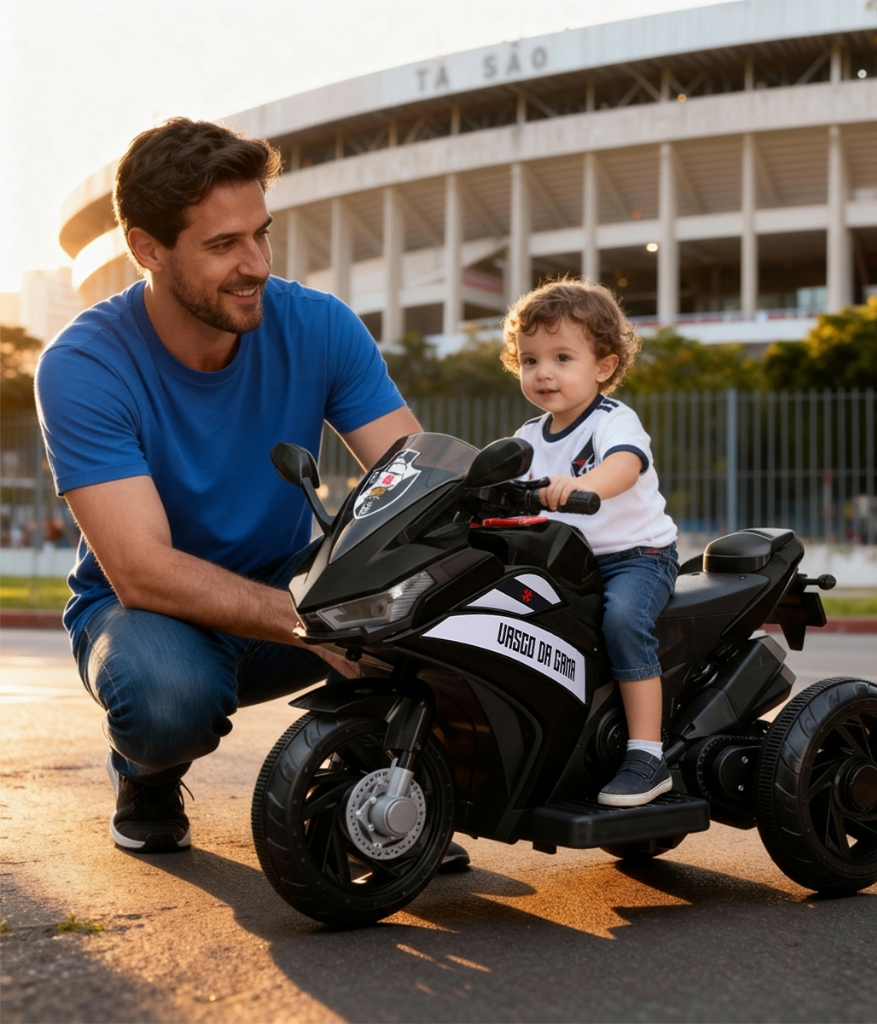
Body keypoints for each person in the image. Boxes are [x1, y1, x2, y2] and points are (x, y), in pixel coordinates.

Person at [35, 118, 469, 867]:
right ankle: (147, 775)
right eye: (223, 245)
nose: (256, 263)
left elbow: (418, 487)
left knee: (435, 583)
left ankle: (393, 786)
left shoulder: (319, 326)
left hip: (287, 582)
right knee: (168, 702)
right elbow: (140, 568)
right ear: (147, 249)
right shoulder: (83, 365)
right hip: (144, 609)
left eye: (261, 234)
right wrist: (310, 625)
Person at [501, 279, 679, 807]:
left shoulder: (612, 419)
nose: (544, 372)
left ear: (602, 366)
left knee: (624, 621)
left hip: (635, 558)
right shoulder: (530, 435)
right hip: (568, 564)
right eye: (530, 360)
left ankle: (648, 756)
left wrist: (583, 487)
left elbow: (624, 466)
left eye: (561, 357)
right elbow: (497, 478)